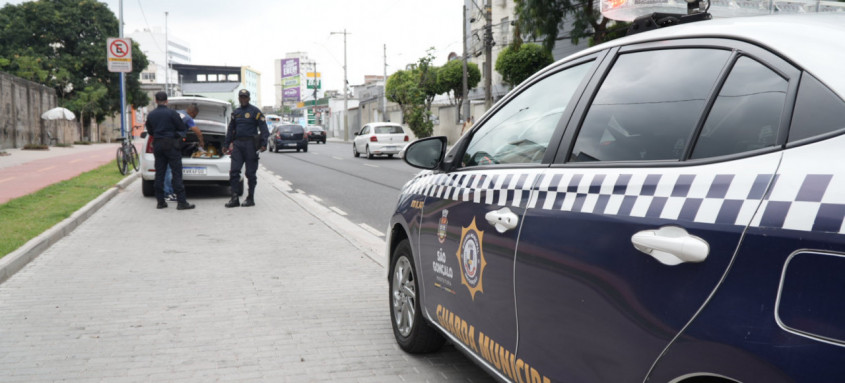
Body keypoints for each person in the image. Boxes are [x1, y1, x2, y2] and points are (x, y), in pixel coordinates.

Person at [144, 91, 195, 210]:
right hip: (172, 145)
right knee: (177, 173)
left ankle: (160, 202)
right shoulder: (172, 113)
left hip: (158, 145)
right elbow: (182, 127)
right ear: (167, 101)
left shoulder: (151, 115)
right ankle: (181, 202)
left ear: (156, 101)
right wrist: (173, 134)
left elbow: (150, 131)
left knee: (159, 174)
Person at [223, 89, 269, 208]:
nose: (243, 99)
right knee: (234, 172)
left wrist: (264, 143)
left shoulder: (255, 112)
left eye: (245, 97)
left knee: (250, 173)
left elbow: (264, 128)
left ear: (249, 98)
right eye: (241, 97)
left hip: (250, 144)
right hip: (238, 144)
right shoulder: (236, 112)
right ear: (238, 98)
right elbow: (230, 130)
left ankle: (250, 198)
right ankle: (234, 198)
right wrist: (226, 144)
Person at [163, 104, 205, 201]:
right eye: (195, 115)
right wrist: (201, 142)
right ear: (193, 112)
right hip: (173, 143)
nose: (194, 117)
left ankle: (166, 192)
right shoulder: (188, 117)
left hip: (164, 141)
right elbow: (197, 131)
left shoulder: (177, 112)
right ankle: (168, 193)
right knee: (170, 170)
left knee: (166, 169)